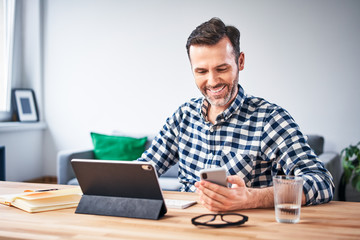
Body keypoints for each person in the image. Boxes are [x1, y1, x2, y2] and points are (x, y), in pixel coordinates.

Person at [138, 17, 334, 211]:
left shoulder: (270, 119)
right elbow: (141, 171)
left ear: (240, 61)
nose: (212, 81)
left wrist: (253, 197)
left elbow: (321, 182)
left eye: (221, 68)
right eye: (201, 71)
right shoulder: (183, 117)